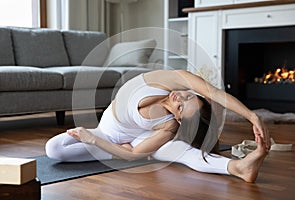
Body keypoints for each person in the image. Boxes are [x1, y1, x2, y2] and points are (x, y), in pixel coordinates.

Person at [45, 70, 270, 183]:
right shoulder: (170, 80)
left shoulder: (169, 127)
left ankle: (237, 168)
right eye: (188, 97)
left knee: (178, 151)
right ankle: (121, 152)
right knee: (54, 149)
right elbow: (216, 93)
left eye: (181, 108)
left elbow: (132, 155)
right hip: (108, 131)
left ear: (180, 120)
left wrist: (92, 140)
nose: (178, 98)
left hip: (135, 140)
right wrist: (252, 116)